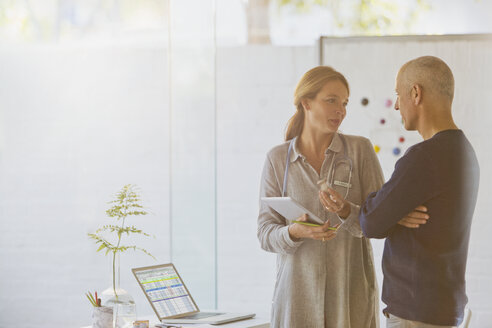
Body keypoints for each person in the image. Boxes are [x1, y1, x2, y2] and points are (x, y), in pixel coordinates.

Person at [257, 66, 386, 328]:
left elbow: (381, 222)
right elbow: (265, 233)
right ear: (306, 102)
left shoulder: (360, 150)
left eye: (345, 102)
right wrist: (294, 232)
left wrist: (348, 211)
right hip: (297, 300)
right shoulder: (278, 159)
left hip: (350, 297)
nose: (341, 109)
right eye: (331, 100)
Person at [359, 56, 480, 328]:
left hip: (416, 315)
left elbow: (371, 223)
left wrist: (387, 212)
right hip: (445, 308)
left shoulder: (424, 157)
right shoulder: (465, 152)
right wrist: (393, 212)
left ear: (416, 93)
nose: (398, 105)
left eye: (398, 95)